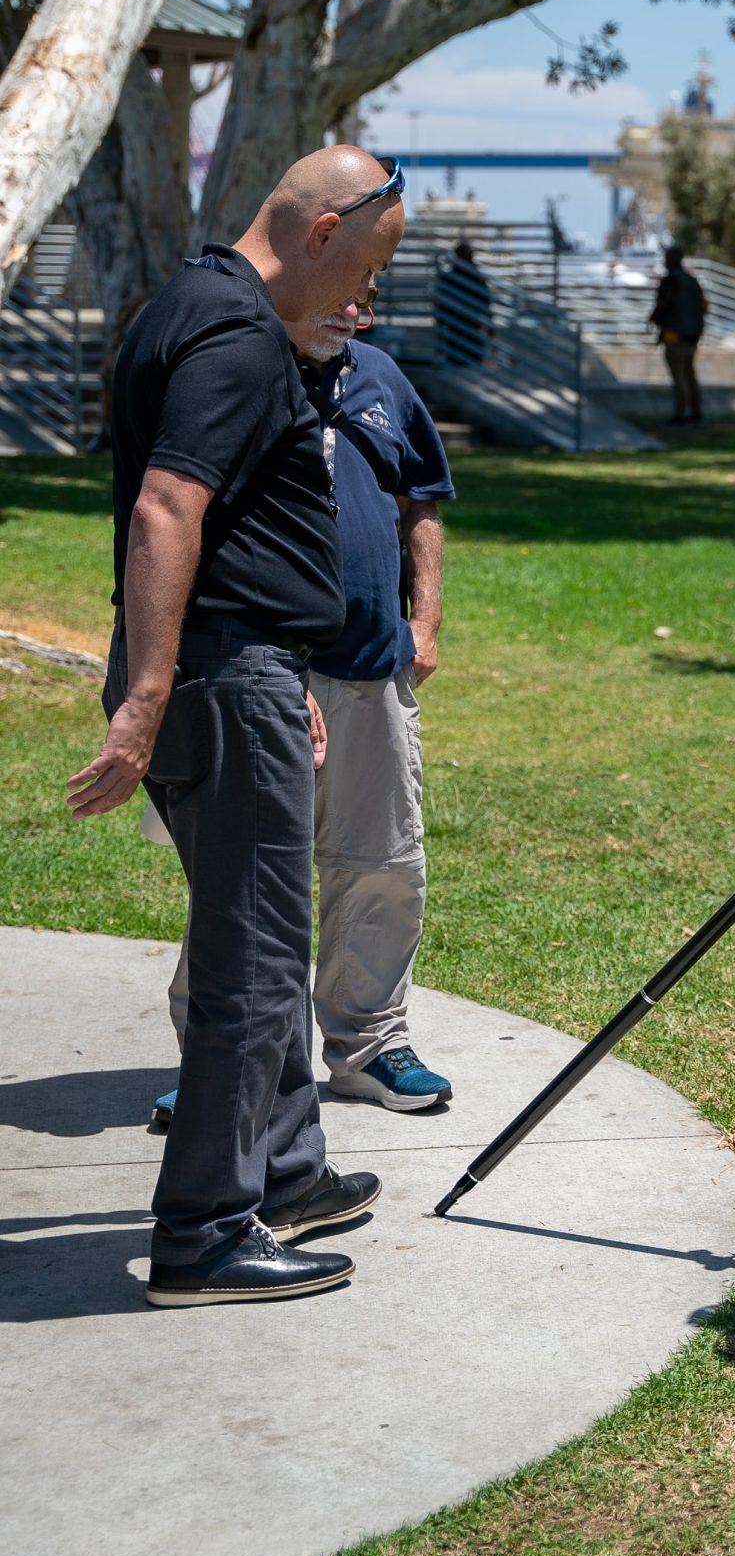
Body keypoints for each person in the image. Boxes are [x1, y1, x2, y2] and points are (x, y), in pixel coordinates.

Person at [69, 150, 406, 1308]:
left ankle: (287, 1172)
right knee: (256, 965)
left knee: (261, 938)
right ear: (319, 233)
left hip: (241, 668)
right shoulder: (234, 334)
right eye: (363, 268)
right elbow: (170, 506)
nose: (364, 301)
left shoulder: (193, 303)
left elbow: (237, 532)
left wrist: (276, 663)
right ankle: (207, 1229)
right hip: (215, 683)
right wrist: (150, 696)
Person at [152, 296, 457, 1131]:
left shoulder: (383, 378)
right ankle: (224, 1066)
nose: (357, 305)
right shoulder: (236, 374)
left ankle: (369, 1047)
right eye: (344, 281)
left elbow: (421, 498)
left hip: (370, 671)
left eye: (371, 287)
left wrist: (423, 624)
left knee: (381, 864)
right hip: (259, 672)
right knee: (246, 879)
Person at [649, 243, 707, 425]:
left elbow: (663, 305)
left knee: (679, 376)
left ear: (671, 260)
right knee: (690, 374)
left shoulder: (671, 281)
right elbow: (704, 306)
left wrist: (653, 319)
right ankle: (695, 411)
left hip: (674, 335)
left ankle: (680, 414)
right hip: (692, 336)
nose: (664, 262)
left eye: (666, 258)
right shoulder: (692, 280)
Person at [434, 236, 491, 368]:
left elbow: (441, 302)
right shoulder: (476, 277)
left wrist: (440, 323)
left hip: (456, 324)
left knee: (456, 359)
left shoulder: (450, 276)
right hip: (471, 324)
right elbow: (485, 300)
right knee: (470, 360)